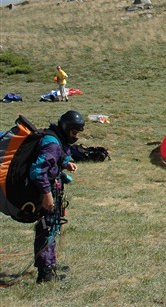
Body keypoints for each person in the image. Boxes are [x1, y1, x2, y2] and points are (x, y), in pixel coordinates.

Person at [29, 110, 83, 283]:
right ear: (66, 128)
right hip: (46, 193)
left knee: (52, 227)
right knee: (46, 228)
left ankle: (50, 263)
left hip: (54, 189)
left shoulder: (57, 139)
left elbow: (53, 160)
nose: (76, 136)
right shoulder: (52, 143)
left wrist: (65, 164)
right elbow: (37, 171)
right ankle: (45, 273)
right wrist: (46, 194)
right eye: (74, 132)